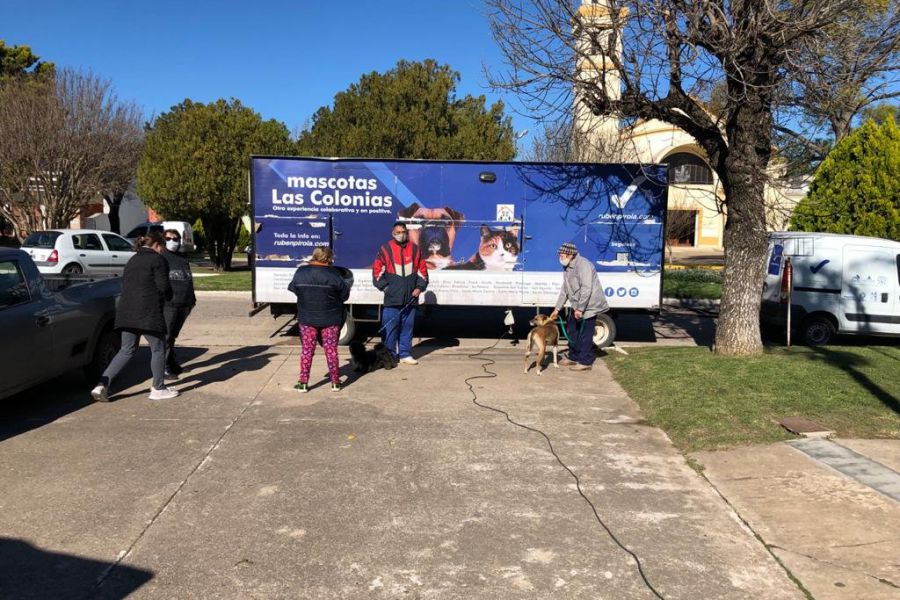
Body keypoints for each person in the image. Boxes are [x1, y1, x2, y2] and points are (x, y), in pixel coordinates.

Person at [91, 231, 178, 401]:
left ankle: (102, 384)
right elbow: (163, 287)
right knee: (159, 347)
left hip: (126, 312)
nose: (163, 250)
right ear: (158, 245)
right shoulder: (157, 260)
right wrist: (169, 298)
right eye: (163, 247)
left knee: (126, 350)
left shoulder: (132, 260)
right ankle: (158, 388)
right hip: (148, 313)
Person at [288, 246, 351, 392]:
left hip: (307, 318)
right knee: (331, 350)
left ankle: (303, 383)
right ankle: (335, 382)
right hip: (331, 318)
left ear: (314, 256)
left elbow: (294, 289)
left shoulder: (301, 272)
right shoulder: (335, 275)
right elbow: (345, 296)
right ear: (328, 258)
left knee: (307, 351)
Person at [372, 222, 428, 365]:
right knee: (390, 330)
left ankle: (405, 354)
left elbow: (423, 272)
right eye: (397, 232)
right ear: (393, 233)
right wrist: (386, 289)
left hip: (410, 299)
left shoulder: (415, 250)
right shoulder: (385, 249)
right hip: (392, 299)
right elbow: (377, 273)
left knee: (407, 328)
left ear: (407, 233)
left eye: (403, 231)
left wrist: (419, 288)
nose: (400, 234)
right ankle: (390, 356)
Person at [549, 242, 609, 371]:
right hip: (577, 304)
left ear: (570, 254)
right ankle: (574, 356)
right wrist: (557, 309)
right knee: (572, 330)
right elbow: (565, 289)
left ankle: (585, 361)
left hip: (590, 305)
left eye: (562, 254)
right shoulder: (567, 267)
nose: (560, 256)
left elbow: (587, 288)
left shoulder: (583, 265)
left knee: (586, 333)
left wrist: (580, 309)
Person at [161, 229, 196, 378]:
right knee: (166, 336)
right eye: (169, 238)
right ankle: (163, 367)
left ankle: (172, 363)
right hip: (169, 304)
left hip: (185, 303)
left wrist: (192, 300)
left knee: (173, 335)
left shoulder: (182, 258)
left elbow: (188, 279)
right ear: (164, 240)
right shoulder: (161, 257)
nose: (172, 242)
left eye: (175, 239)